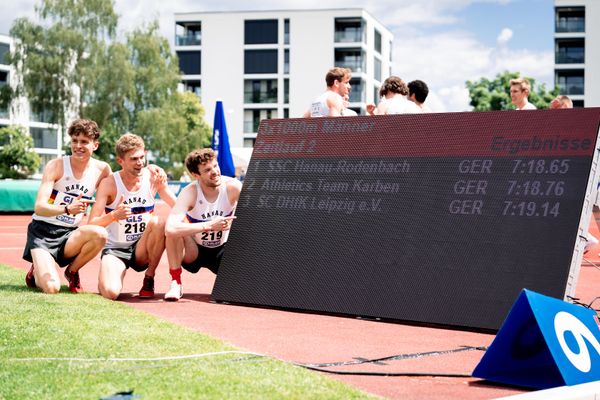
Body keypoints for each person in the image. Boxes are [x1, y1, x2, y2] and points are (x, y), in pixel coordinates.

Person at [23, 119, 111, 294]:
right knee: (52, 288)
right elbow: (39, 207)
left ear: (95, 145)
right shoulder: (56, 165)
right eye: (74, 141)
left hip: (69, 233)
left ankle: (72, 271)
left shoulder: (102, 169)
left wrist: (150, 171)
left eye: (84, 142)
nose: (78, 146)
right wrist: (67, 209)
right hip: (42, 231)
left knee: (100, 234)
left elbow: (119, 183)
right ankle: (37, 268)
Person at [88, 133, 176, 300]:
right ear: (121, 161)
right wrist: (114, 215)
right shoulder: (109, 184)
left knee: (159, 222)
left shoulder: (153, 177)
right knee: (110, 293)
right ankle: (107, 277)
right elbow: (91, 223)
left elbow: (177, 205)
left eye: (142, 157)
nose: (140, 162)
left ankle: (149, 278)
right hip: (116, 249)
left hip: (142, 248)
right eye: (134, 159)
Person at [163, 148, 242, 301]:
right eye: (207, 170)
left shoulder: (233, 187)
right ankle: (175, 282)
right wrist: (209, 225)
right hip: (194, 251)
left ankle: (231, 280)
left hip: (222, 249)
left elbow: (255, 217)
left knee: (238, 293)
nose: (215, 172)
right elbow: (170, 228)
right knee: (173, 232)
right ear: (196, 175)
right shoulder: (190, 192)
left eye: (215, 166)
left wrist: (232, 226)